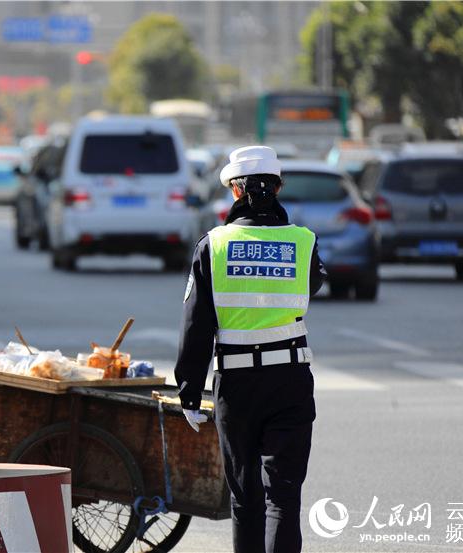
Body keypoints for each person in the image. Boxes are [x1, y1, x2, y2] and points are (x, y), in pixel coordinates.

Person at [174, 146, 326, 553]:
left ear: (236, 193)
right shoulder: (303, 241)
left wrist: (189, 390)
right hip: (291, 382)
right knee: (284, 499)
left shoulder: (213, 245)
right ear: (277, 188)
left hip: (237, 388)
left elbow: (197, 323)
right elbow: (312, 285)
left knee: (246, 501)